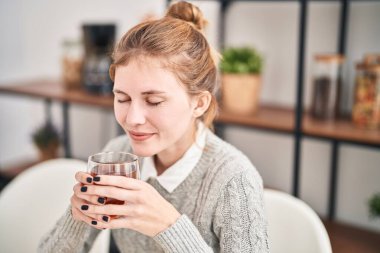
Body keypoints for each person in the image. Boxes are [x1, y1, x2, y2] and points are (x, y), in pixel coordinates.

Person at [39, 1, 269, 252]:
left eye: (154, 101)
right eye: (123, 98)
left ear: (199, 104)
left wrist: (168, 225)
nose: (132, 118)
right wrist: (78, 216)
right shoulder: (119, 155)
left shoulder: (234, 179)